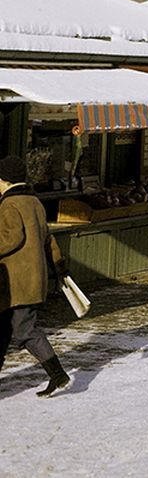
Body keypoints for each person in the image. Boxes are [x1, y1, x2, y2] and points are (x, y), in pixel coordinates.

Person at [0, 156, 71, 397]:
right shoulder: (34, 202)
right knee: (6, 330)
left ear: (4, 180)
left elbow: (11, 238)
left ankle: (58, 375)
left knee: (24, 331)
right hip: (32, 280)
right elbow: (48, 239)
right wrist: (59, 265)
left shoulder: (9, 205)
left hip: (15, 282)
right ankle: (57, 375)